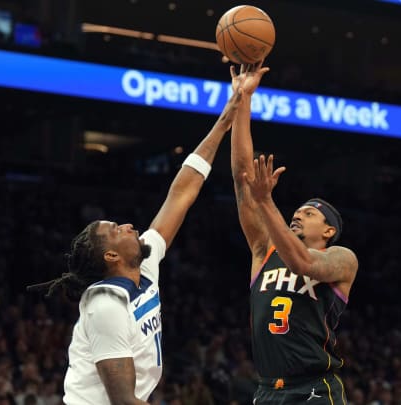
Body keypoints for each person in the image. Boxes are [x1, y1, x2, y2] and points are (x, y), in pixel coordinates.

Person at [26, 77, 248, 405]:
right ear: (112, 256)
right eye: (117, 229)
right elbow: (123, 402)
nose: (129, 226)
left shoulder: (144, 264)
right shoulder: (106, 306)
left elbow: (182, 193)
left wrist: (227, 115)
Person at [230, 63, 359, 404]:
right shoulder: (263, 250)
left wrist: (266, 201)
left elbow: (302, 262)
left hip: (314, 389)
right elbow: (243, 177)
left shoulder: (342, 259)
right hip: (267, 390)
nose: (298, 213)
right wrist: (243, 100)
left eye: (310, 212)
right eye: (297, 210)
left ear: (329, 230)